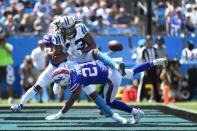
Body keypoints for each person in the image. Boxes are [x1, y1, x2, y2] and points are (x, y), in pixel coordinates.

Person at [46, 57, 167, 124]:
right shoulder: (70, 67)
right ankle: (154, 62)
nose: (63, 86)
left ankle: (135, 112)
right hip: (111, 65)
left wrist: (59, 114)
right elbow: (63, 69)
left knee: (109, 101)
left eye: (61, 84)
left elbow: (71, 100)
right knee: (131, 73)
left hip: (111, 77)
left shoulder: (76, 80)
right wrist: (57, 84)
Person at [0, 25, 15, 104]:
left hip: (7, 66)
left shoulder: (9, 45)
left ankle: (10, 98)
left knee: (9, 83)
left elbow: (10, 52)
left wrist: (4, 46)